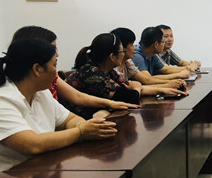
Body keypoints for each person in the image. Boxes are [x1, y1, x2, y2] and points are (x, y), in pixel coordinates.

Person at [0, 39, 117, 173]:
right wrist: (81, 132)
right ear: (37, 69)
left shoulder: (41, 92)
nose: (56, 73)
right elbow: (32, 144)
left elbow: (70, 119)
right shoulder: (1, 100)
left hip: (42, 171)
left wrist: (86, 127)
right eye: (54, 65)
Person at [10, 26, 138, 113]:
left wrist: (108, 106)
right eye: (52, 49)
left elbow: (77, 98)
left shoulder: (46, 85)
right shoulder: (10, 95)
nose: (57, 54)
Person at [63, 33, 140, 119]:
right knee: (104, 114)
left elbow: (127, 87)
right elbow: (129, 98)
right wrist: (137, 88)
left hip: (90, 114)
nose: (123, 54)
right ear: (112, 56)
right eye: (122, 52)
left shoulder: (108, 71)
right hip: (77, 119)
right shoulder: (93, 74)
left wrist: (141, 88)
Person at [110, 27, 188, 97]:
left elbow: (145, 80)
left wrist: (170, 83)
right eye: (132, 45)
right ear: (122, 48)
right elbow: (141, 83)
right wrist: (166, 85)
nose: (134, 48)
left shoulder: (128, 61)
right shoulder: (135, 57)